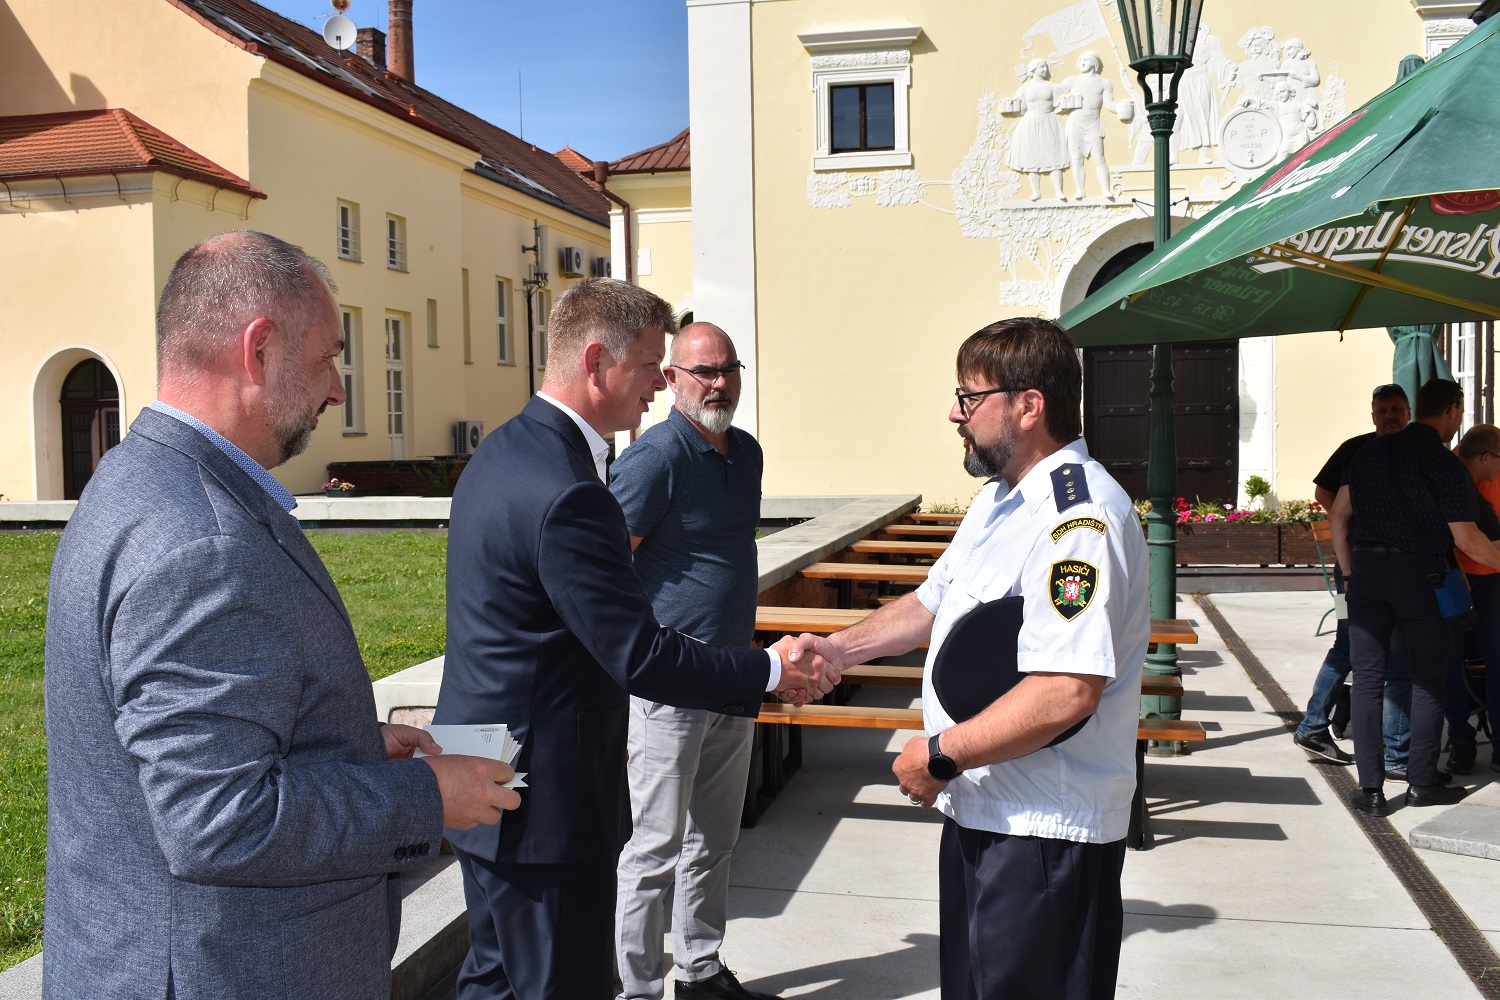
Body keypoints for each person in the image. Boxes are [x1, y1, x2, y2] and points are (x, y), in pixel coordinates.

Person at [42, 230, 520, 1000]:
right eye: (329, 358)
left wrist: (351, 747)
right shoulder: (201, 541)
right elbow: (217, 818)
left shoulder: (144, 477)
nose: (337, 388)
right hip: (224, 973)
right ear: (259, 349)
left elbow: (173, 747)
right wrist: (430, 797)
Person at [436, 278, 826, 999]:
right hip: (542, 793)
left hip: (483, 763)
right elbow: (636, 652)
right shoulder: (569, 488)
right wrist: (766, 670)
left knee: (493, 982)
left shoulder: (503, 452)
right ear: (595, 362)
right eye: (651, 363)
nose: (658, 382)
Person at [792, 316, 1148, 999]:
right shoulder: (999, 499)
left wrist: (938, 755)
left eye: (969, 396)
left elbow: (1067, 691)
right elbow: (932, 603)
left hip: (1045, 833)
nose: (953, 413)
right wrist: (835, 650)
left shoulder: (1079, 521)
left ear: (1028, 405)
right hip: (986, 811)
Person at [611, 323, 774, 1000]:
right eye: (702, 371)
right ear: (673, 379)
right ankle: (640, 989)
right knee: (653, 850)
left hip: (732, 677)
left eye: (728, 369)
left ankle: (699, 970)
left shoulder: (748, 453)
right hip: (670, 684)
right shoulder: (657, 456)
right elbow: (604, 560)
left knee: (714, 840)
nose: (718, 382)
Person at [1333, 379, 1500, 815]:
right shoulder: (1444, 463)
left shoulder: (1366, 453)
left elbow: (1339, 515)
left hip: (1367, 575)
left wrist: (1350, 574)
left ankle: (1370, 790)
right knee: (1427, 681)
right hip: (1420, 577)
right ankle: (1421, 783)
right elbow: (1466, 538)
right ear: (1454, 410)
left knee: (1368, 681)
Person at [1292, 384, 1412, 770]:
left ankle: (1314, 725)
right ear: (1372, 414)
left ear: (1407, 412)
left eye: (1396, 409)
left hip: (1373, 569)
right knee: (1366, 650)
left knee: (1359, 649)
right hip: (1356, 570)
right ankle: (1393, 755)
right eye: (1383, 410)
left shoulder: (1414, 448)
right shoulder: (1355, 449)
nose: (1390, 416)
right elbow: (1324, 493)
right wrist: (1352, 521)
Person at [1444, 424, 1500, 775]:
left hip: (1492, 579)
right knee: (1450, 663)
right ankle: (1461, 742)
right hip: (1456, 579)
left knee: (1497, 658)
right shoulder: (1450, 467)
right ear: (1485, 457)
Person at [1006, 59, 1069, 201]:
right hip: (1031, 122)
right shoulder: (1025, 88)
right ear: (1033, 69)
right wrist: (1011, 106)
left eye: (1045, 67)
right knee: (1032, 157)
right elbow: (1019, 107)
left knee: (1054, 156)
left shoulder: (1052, 87)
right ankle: (1036, 192)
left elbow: (1059, 104)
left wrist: (1066, 103)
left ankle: (1059, 191)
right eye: (1041, 67)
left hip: (1049, 121)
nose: (1045, 69)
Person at [1060, 52, 1119, 200]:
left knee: (1099, 157)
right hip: (1075, 124)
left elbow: (1109, 104)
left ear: (1094, 63)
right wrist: (1064, 102)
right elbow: (1056, 94)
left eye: (1086, 59)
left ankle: (1105, 189)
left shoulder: (1104, 83)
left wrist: (1122, 108)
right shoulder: (1072, 81)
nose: (1082, 62)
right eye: (1081, 60)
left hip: (1093, 123)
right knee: (1076, 159)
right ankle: (1080, 190)